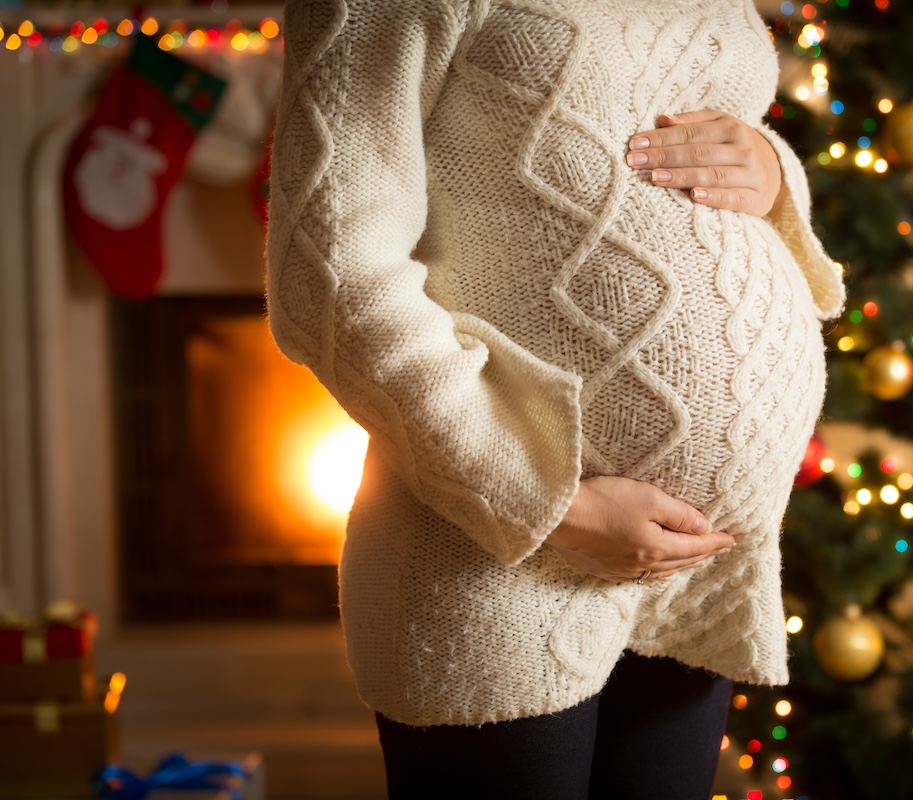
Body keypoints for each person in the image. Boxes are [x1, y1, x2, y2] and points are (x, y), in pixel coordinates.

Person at [267, 1, 844, 798]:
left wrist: (774, 172)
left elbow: (646, 130)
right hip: (490, 560)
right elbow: (329, 275)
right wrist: (544, 501)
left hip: (696, 570)